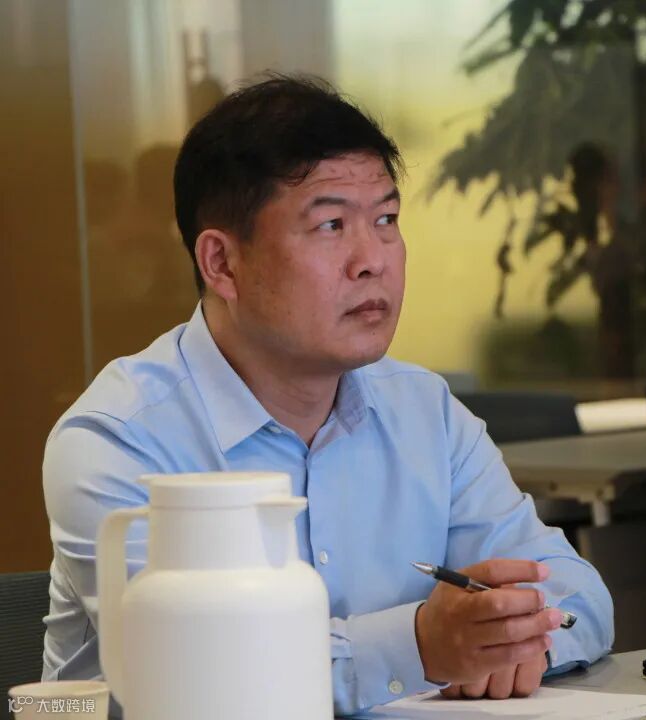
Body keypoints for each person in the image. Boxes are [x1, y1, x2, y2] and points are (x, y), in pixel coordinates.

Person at [42, 75, 613, 715]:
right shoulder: (118, 439)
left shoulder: (425, 412)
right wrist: (420, 647)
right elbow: (192, 674)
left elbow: (577, 594)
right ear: (222, 263)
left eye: (387, 220)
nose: (372, 259)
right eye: (331, 224)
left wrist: (515, 642)